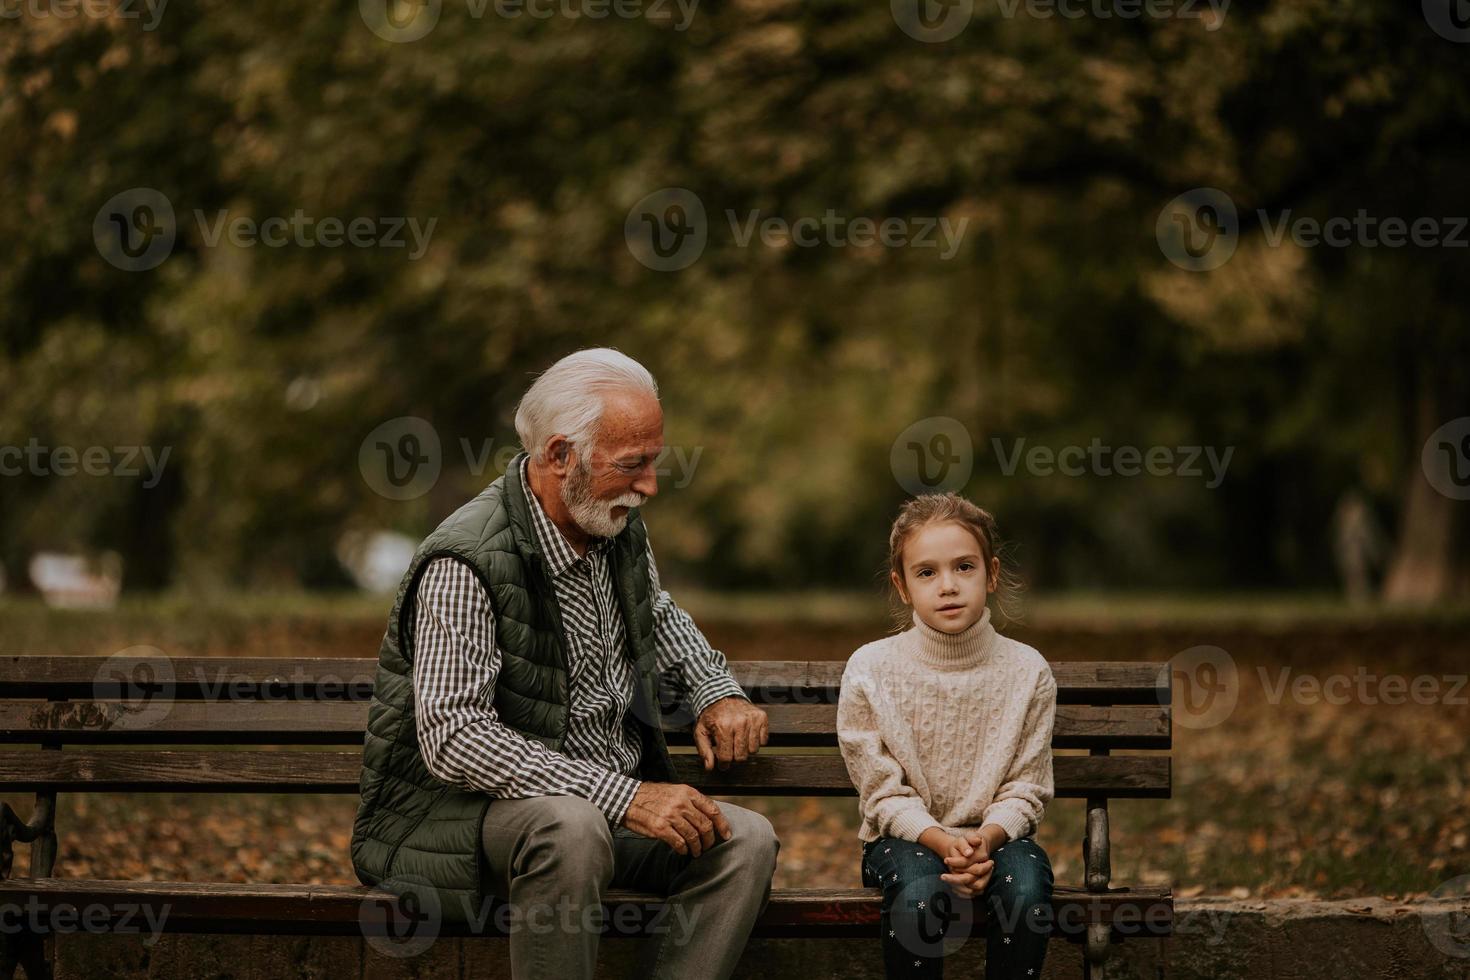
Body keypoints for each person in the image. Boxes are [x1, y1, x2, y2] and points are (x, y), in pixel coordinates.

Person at [352, 348, 778, 979]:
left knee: (743, 841)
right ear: (559, 456)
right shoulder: (464, 562)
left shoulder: (614, 525)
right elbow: (454, 737)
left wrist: (715, 689)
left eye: (654, 462)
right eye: (632, 465)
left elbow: (655, 613)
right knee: (571, 828)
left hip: (599, 814)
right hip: (461, 823)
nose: (650, 486)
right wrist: (626, 796)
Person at [837, 492, 1057, 978]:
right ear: (902, 586)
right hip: (901, 841)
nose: (948, 586)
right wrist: (942, 842)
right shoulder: (871, 669)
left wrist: (983, 840)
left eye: (964, 567)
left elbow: (1026, 787)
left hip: (999, 839)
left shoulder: (1027, 671)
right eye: (927, 572)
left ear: (991, 574)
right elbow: (882, 792)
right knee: (920, 896)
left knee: (1025, 891)